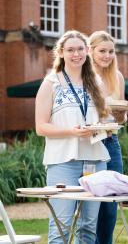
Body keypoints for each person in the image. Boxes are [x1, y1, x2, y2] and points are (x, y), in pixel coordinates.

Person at [35, 30, 110, 243]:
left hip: (95, 162)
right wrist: (72, 131)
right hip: (62, 162)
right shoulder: (51, 84)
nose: (75, 54)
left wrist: (102, 126)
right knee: (61, 226)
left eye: (79, 49)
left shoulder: (97, 83)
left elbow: (104, 120)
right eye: (70, 50)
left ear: (87, 51)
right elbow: (41, 127)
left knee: (88, 228)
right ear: (60, 52)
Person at [89, 30, 126, 244]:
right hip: (90, 141)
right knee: (89, 203)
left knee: (110, 203)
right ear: (91, 51)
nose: (107, 55)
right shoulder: (84, 77)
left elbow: (119, 119)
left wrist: (121, 115)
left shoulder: (117, 77)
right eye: (102, 51)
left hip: (111, 141)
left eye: (111, 51)